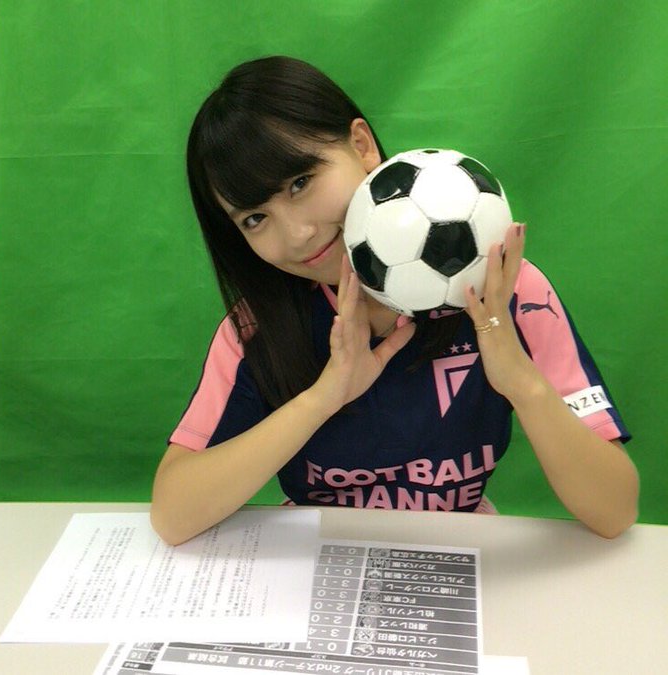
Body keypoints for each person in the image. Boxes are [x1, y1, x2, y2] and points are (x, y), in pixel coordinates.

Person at [150, 56, 639, 545]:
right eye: (255, 219)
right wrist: (324, 397)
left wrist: (522, 382)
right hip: (316, 566)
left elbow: (614, 511)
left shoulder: (503, 293)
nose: (298, 234)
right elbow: (173, 516)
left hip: (458, 557)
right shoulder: (257, 327)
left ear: (361, 146)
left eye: (301, 183)